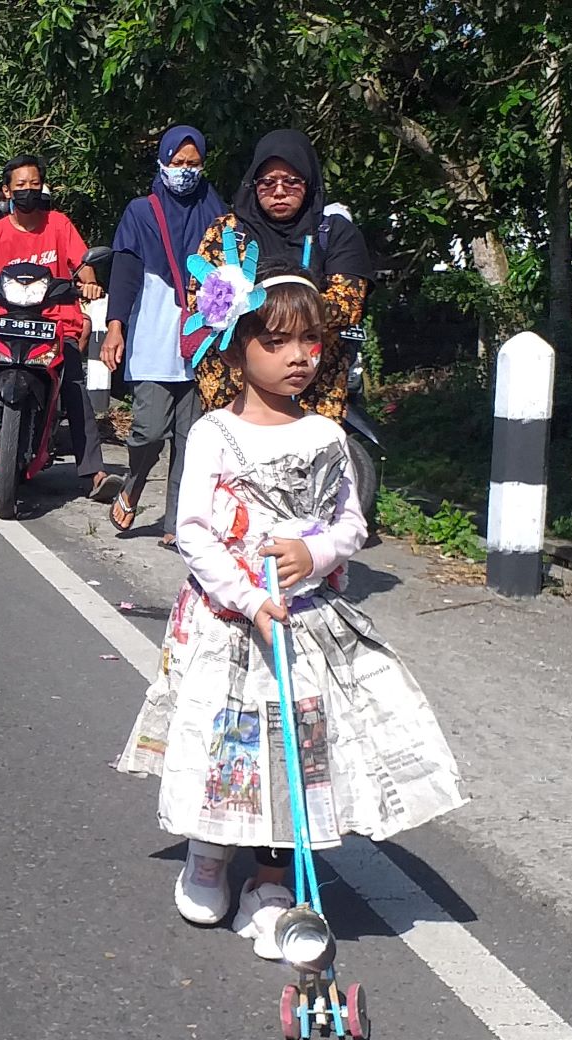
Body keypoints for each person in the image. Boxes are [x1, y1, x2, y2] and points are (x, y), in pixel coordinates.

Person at [114, 269, 463, 956]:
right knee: (229, 742)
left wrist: (318, 554)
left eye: (310, 341)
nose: (298, 356)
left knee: (295, 750)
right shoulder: (215, 432)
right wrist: (248, 598)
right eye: (278, 342)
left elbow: (352, 524)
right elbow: (193, 532)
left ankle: (271, 880)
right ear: (238, 347)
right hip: (229, 620)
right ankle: (209, 854)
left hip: (304, 622)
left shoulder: (328, 438)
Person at [0, 155, 121, 502]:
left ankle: (93, 472)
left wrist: (89, 282)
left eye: (34, 184)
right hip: (7, 321)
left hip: (56, 324)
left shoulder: (59, 225)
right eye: (20, 186)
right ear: (7, 191)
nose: (28, 191)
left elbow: (83, 262)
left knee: (74, 385)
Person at [188, 131, 371, 421]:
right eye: (268, 182)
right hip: (237, 392)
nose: (279, 191)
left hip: (314, 389)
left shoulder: (335, 233)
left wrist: (269, 308)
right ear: (254, 184)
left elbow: (347, 304)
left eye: (292, 181)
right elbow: (202, 299)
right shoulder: (227, 232)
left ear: (309, 184)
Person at [104, 125, 230, 546]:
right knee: (149, 430)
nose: (185, 172)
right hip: (154, 334)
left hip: (204, 339)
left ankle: (176, 522)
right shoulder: (141, 212)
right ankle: (133, 484)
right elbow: (124, 272)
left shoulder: (218, 211)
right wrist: (115, 326)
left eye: (194, 164)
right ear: (162, 161)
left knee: (191, 438)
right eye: (178, 163)